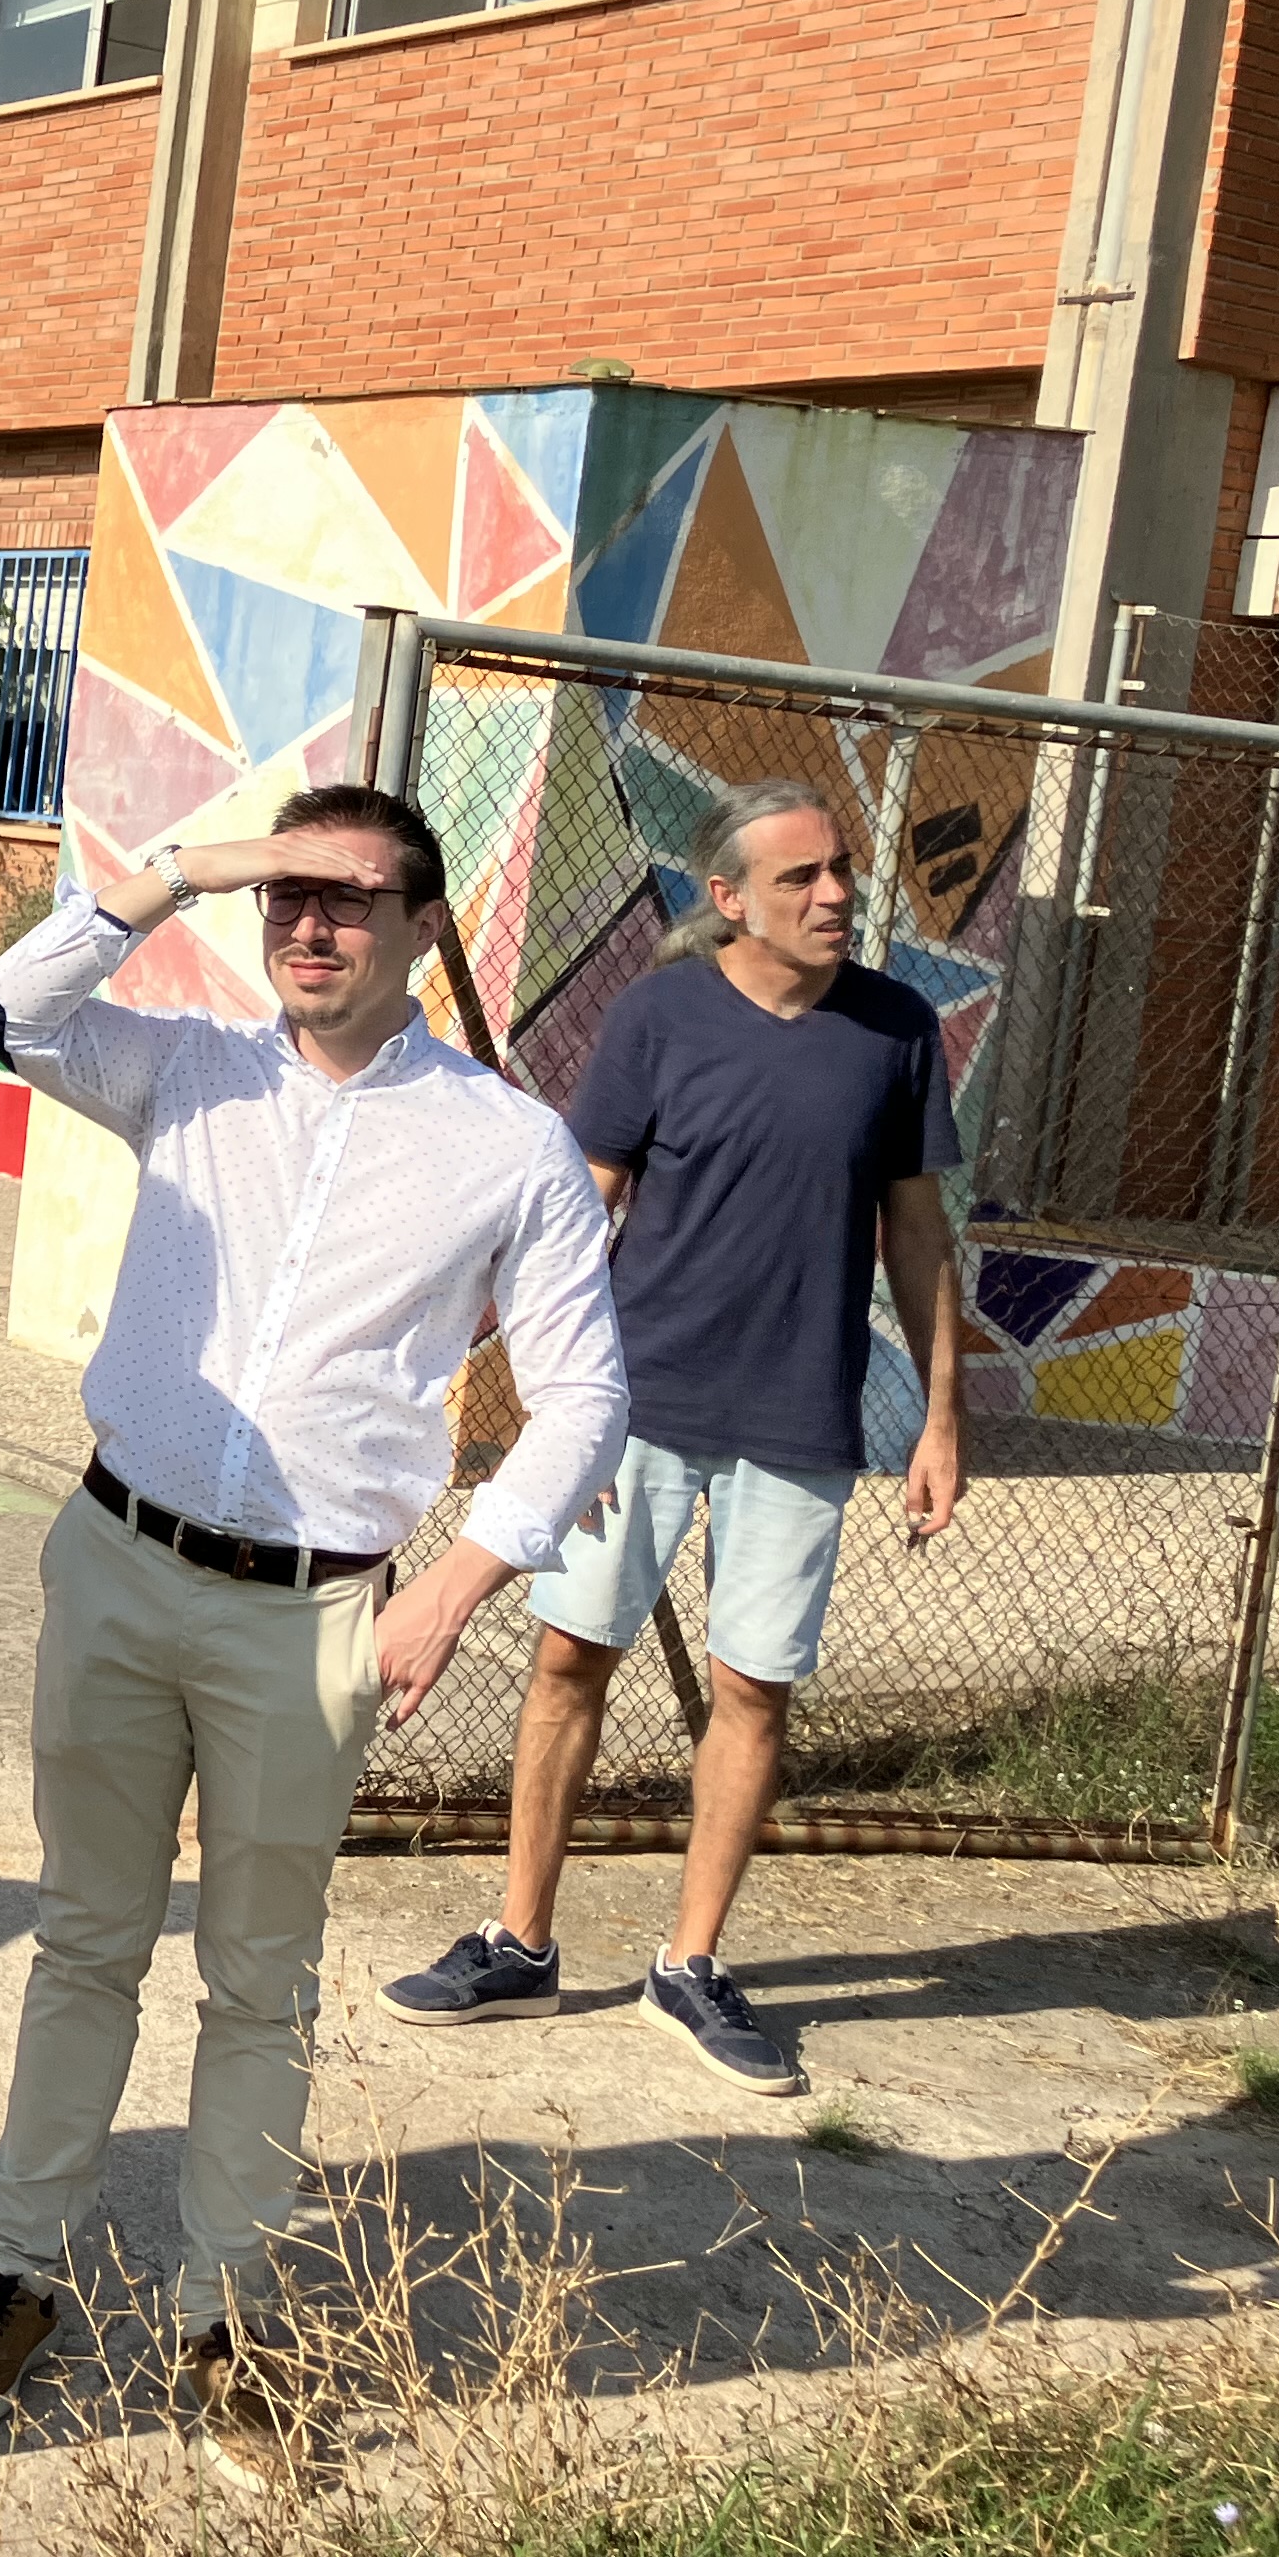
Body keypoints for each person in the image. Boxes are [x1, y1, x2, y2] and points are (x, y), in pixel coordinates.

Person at [0, 790, 625, 2495]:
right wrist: (180, 875)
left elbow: (587, 1392)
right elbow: (7, 1013)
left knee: (259, 1980)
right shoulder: (188, 1071)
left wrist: (455, 1588)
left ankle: (221, 2318)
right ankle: (20, 2277)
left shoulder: (504, 1146)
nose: (310, 927)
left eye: (351, 901)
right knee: (84, 1940)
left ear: (423, 928)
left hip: (316, 1614)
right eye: (286, 897)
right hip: (118, 1559)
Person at [383, 781, 963, 2096]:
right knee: (567, 1663)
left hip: (800, 1421)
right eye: (804, 876)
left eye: (843, 873)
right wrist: (547, 1404)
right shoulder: (659, 1016)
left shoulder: (896, 1030)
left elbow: (918, 1235)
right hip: (635, 1408)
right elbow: (580, 1207)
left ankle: (690, 1968)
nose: (835, 895)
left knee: (756, 1689)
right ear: (731, 897)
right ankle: (521, 1941)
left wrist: (939, 1415)